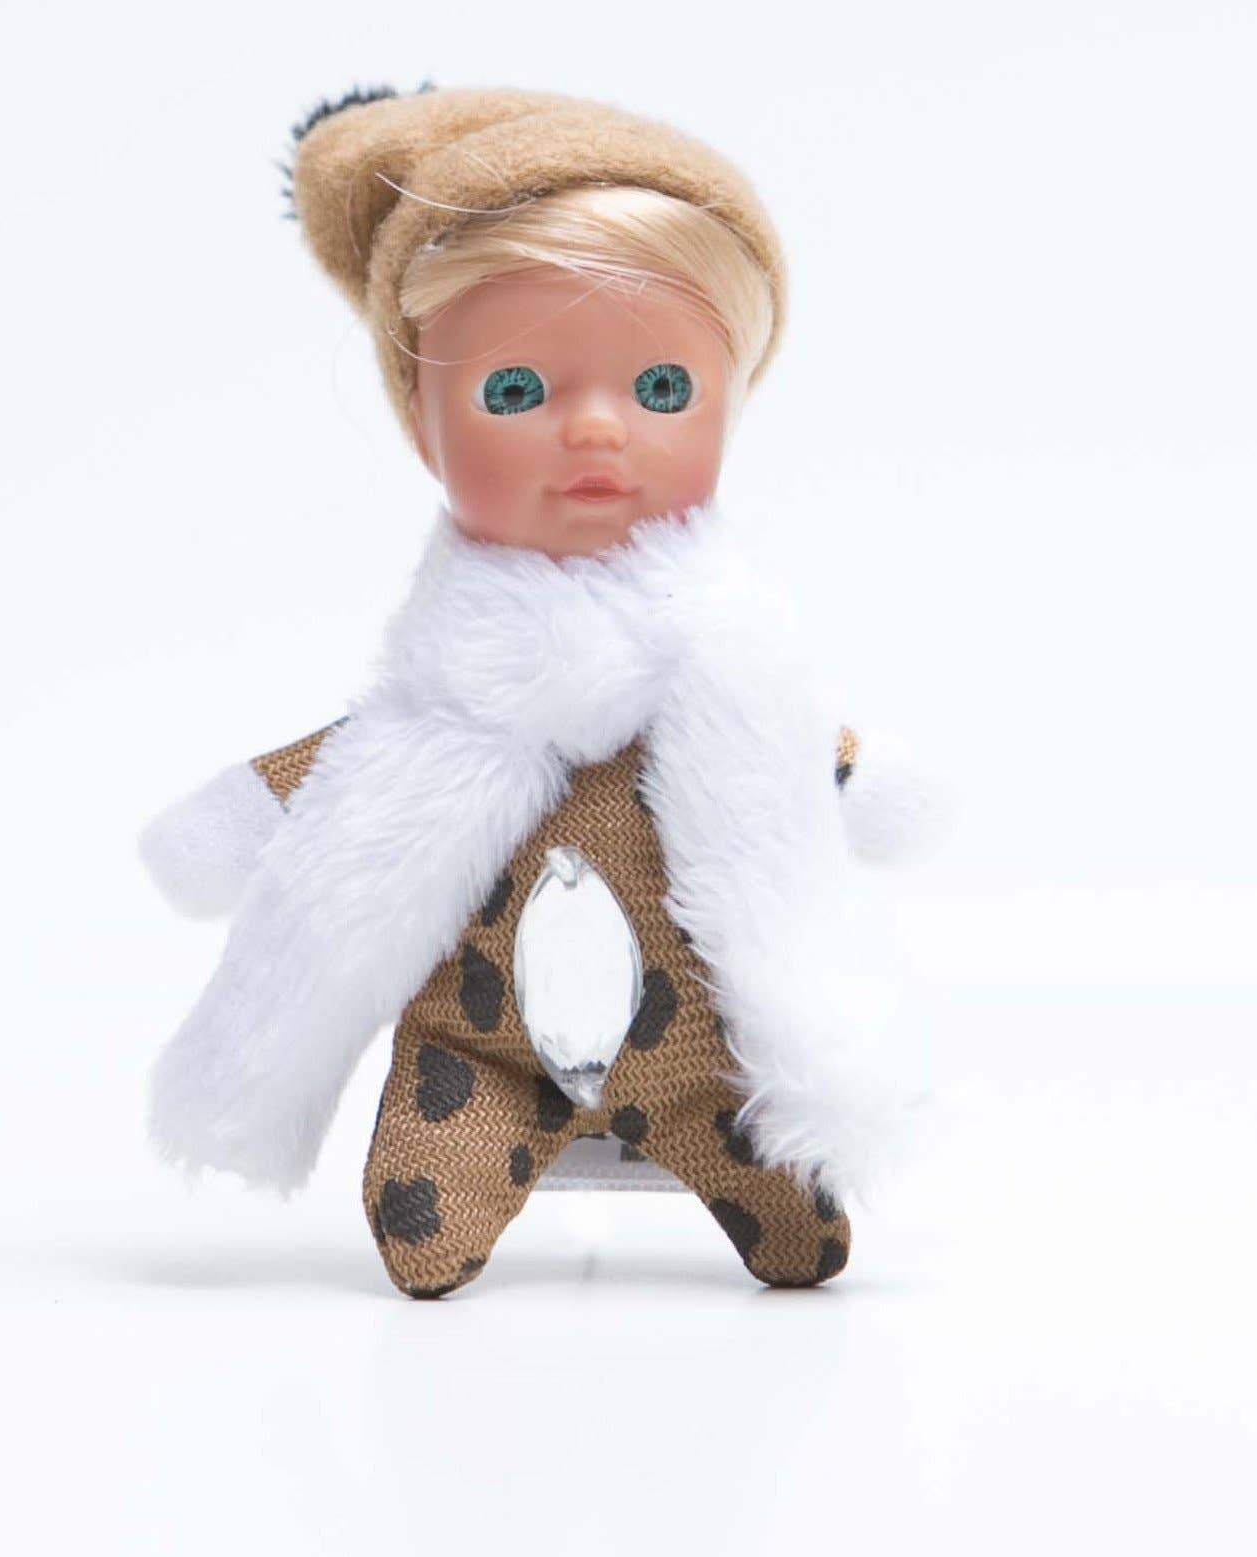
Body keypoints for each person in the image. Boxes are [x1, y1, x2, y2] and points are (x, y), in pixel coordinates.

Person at [142, 84, 945, 1297]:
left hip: (705, 1064)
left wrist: (861, 777)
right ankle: (472, 1155)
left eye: (661, 390)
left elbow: (817, 769)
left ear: (730, 403)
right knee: (424, 1228)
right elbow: (333, 779)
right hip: (479, 1058)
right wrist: (232, 821)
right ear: (424, 424)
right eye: (515, 392)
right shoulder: (429, 709)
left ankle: (746, 1160)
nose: (597, 433)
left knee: (798, 1231)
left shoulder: (737, 687)